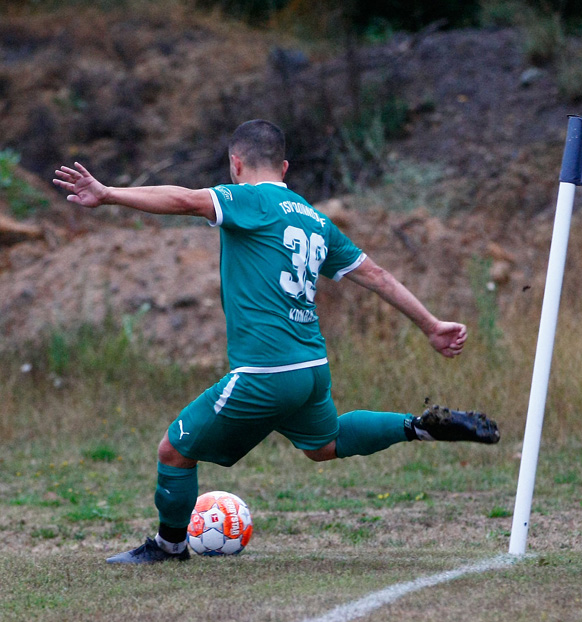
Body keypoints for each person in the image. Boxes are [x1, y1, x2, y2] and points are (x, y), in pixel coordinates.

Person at [53, 119, 501, 564]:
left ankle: (170, 547)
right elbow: (377, 276)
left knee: (174, 450)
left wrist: (108, 194)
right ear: (284, 166)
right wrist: (430, 324)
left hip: (265, 371)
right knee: (322, 446)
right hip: (311, 368)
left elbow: (187, 200)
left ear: (236, 164)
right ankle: (417, 426)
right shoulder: (314, 218)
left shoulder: (249, 199)